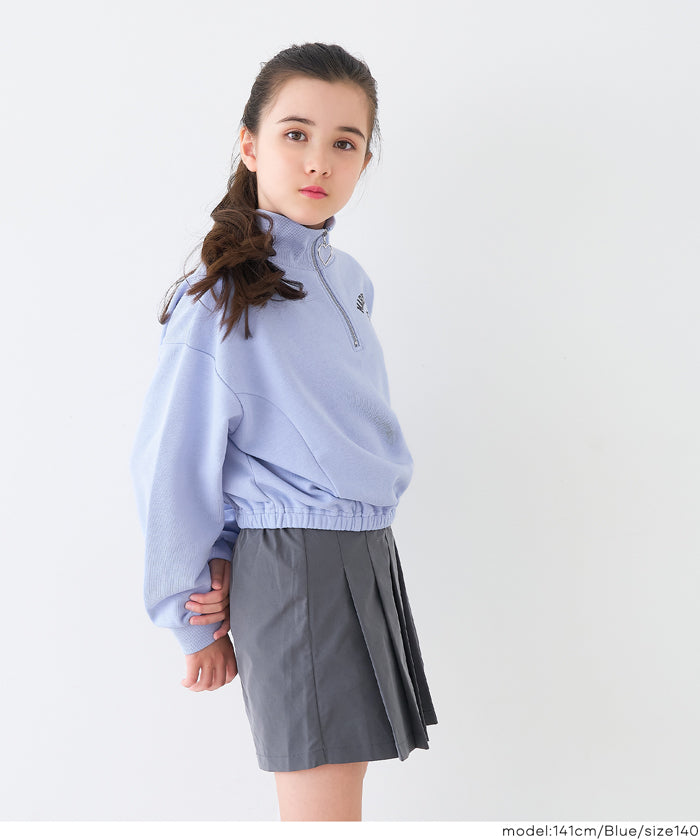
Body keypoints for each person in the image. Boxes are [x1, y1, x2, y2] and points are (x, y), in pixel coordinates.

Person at [130, 41, 438, 822]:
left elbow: (283, 430)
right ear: (250, 144)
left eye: (345, 142)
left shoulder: (349, 280)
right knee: (321, 809)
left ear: (366, 161)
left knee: (341, 794)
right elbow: (173, 462)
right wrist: (189, 610)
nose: (318, 161)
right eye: (295, 134)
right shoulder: (219, 300)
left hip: (365, 549)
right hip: (298, 561)